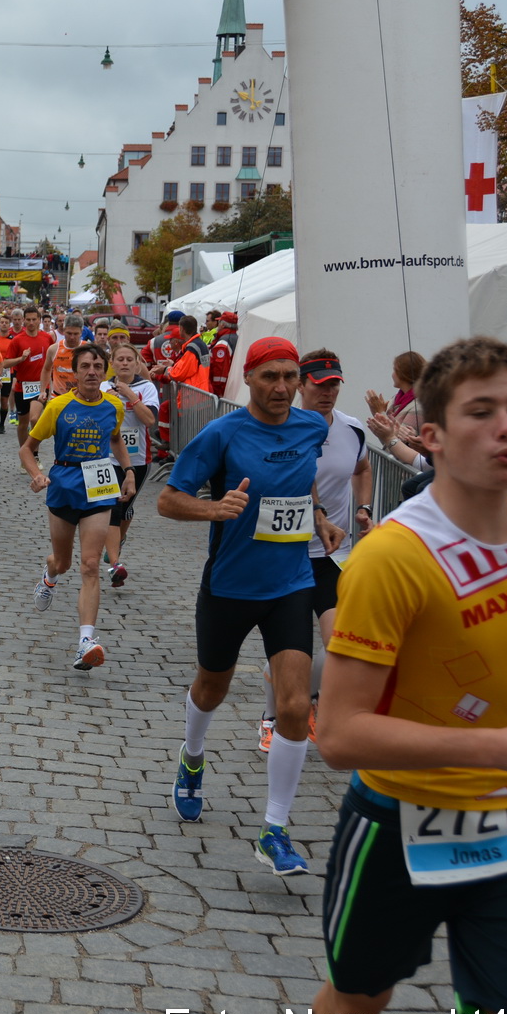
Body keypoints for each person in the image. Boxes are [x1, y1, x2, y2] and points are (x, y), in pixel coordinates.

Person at [309, 337, 507, 1014]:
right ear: (428, 436)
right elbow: (337, 733)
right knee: (357, 999)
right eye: (481, 411)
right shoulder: (390, 557)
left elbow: (502, 678)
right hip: (398, 820)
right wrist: (500, 748)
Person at [156, 335, 344, 876]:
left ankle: (274, 829)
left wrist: (321, 517)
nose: (282, 387)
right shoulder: (223, 432)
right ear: (249, 380)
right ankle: (192, 758)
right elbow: (169, 500)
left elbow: (299, 481)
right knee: (212, 686)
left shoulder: (313, 426)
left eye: (290, 377)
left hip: (289, 584)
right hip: (231, 586)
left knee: (292, 707)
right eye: (270, 377)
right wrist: (213, 510)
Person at [256, 350, 372, 752]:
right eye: (320, 385)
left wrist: (363, 507)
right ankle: (273, 717)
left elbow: (361, 468)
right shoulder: (278, 428)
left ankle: (311, 704)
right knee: (290, 649)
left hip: (330, 557)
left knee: (339, 643)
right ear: (300, 385)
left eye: (335, 385)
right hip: (283, 553)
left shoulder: (352, 429)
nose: (328, 393)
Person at [22, 343, 135, 670]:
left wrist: (127, 472)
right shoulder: (58, 406)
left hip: (99, 484)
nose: (91, 372)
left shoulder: (114, 406)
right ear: (76, 371)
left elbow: (114, 439)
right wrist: (37, 474)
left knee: (89, 564)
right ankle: (50, 575)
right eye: (85, 366)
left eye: (97, 366)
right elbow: (27, 448)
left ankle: (86, 641)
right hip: (64, 483)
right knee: (64, 561)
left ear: (104, 371)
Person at [102, 344, 159, 582]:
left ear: (137, 364)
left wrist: (130, 396)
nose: (124, 363)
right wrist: (109, 401)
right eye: (120, 359)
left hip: (138, 459)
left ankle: (118, 541)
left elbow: (149, 421)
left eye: (129, 359)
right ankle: (116, 564)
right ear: (112, 363)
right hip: (108, 457)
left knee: (125, 509)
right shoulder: (104, 387)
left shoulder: (147, 387)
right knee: (112, 507)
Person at [4, 306, 55, 449]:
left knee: (34, 418)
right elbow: (6, 363)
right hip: (22, 387)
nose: (31, 322)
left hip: (41, 386)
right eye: (28, 320)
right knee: (23, 425)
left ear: (39, 320)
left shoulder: (47, 338)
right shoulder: (17, 340)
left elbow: (53, 358)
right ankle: (24, 452)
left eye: (34, 319)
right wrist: (21, 359)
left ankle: (34, 453)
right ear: (24, 321)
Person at [40, 312, 84, 399]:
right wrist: (42, 390)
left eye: (76, 334)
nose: (72, 337)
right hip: (58, 396)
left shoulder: (87, 349)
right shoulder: (53, 349)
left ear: (81, 332)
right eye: (69, 333)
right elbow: (46, 369)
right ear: (63, 331)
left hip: (81, 398)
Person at [209, 311, 238, 397]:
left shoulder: (223, 342)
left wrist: (217, 391)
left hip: (222, 391)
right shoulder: (236, 338)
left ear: (223, 325)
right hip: (232, 387)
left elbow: (220, 371)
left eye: (219, 322)